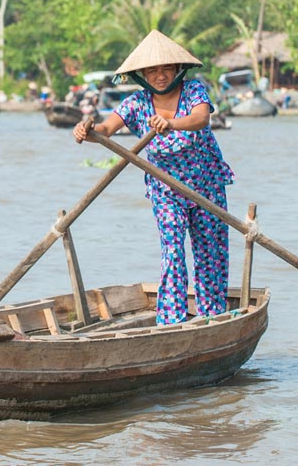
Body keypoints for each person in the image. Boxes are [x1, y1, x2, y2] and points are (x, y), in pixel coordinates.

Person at [72, 30, 235, 324]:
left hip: (206, 186)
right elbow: (107, 130)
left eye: (166, 69)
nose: (160, 76)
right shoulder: (137, 103)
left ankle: (212, 317)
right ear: (143, 75)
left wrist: (171, 123)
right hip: (166, 190)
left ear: (177, 70)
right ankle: (171, 321)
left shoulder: (194, 91)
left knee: (211, 253)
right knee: (172, 253)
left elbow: (201, 119)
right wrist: (89, 131)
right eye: (153, 71)